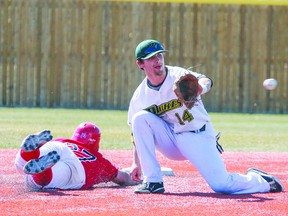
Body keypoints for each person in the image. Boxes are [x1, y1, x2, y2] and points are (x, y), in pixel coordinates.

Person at [127, 39, 284, 194]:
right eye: (151, 57)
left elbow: (206, 79)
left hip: (197, 135)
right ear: (140, 64)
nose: (158, 60)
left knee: (222, 185)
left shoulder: (178, 75)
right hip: (171, 140)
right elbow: (136, 132)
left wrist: (199, 88)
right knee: (139, 118)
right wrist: (136, 162)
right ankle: (153, 181)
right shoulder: (140, 96)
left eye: (160, 55)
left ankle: (261, 181)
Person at [15, 122, 138, 190]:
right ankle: (42, 172)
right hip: (78, 169)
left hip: (58, 146)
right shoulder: (99, 159)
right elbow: (123, 178)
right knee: (46, 180)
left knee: (22, 166)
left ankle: (28, 152)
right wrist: (136, 180)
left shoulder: (64, 140)